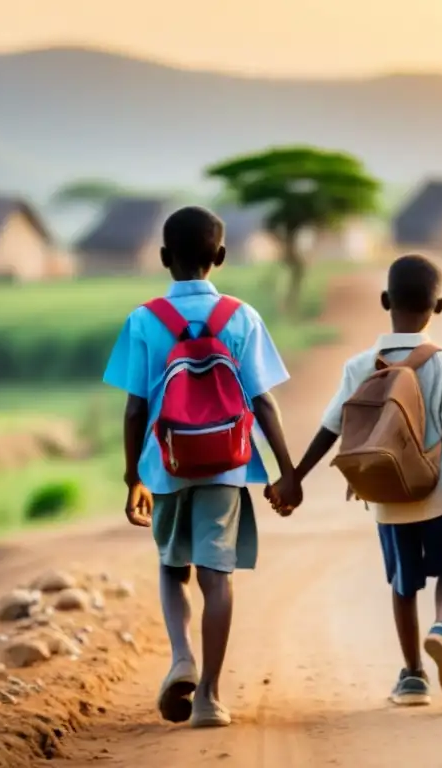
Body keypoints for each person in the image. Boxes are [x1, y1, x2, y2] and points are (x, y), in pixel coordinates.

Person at [103, 206, 298, 728]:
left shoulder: (143, 320)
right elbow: (264, 401)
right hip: (227, 466)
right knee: (217, 575)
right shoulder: (242, 316)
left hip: (166, 464)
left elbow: (135, 407)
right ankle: (209, 696)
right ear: (222, 256)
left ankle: (181, 657)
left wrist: (133, 477)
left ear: (164, 258)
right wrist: (287, 471)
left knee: (172, 565)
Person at [277, 254, 442, 706]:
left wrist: (295, 478)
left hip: (385, 495)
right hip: (440, 493)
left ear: (385, 300)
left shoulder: (359, 365)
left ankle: (412, 676)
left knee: (403, 586)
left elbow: (331, 427)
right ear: (438, 307)